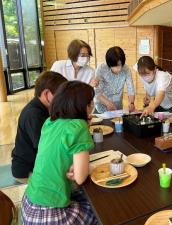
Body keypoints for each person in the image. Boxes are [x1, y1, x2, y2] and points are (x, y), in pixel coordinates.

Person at [21, 81, 98, 225]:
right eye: (90, 103)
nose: (92, 106)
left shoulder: (50, 122)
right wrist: (84, 169)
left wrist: (76, 167)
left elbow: (59, 153)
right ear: (81, 106)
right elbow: (81, 178)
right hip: (49, 216)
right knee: (99, 210)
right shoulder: (78, 127)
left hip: (28, 205)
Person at [11, 71, 67, 183]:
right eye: (60, 95)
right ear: (46, 94)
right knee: (71, 184)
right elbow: (47, 150)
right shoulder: (34, 114)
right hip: (27, 170)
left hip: (36, 162)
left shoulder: (44, 107)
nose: (63, 99)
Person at [94, 46, 135, 113]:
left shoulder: (126, 69)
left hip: (118, 106)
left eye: (120, 65)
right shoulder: (101, 68)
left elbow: (130, 89)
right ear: (109, 64)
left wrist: (131, 103)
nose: (119, 69)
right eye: (116, 66)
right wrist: (107, 103)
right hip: (102, 105)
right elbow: (97, 91)